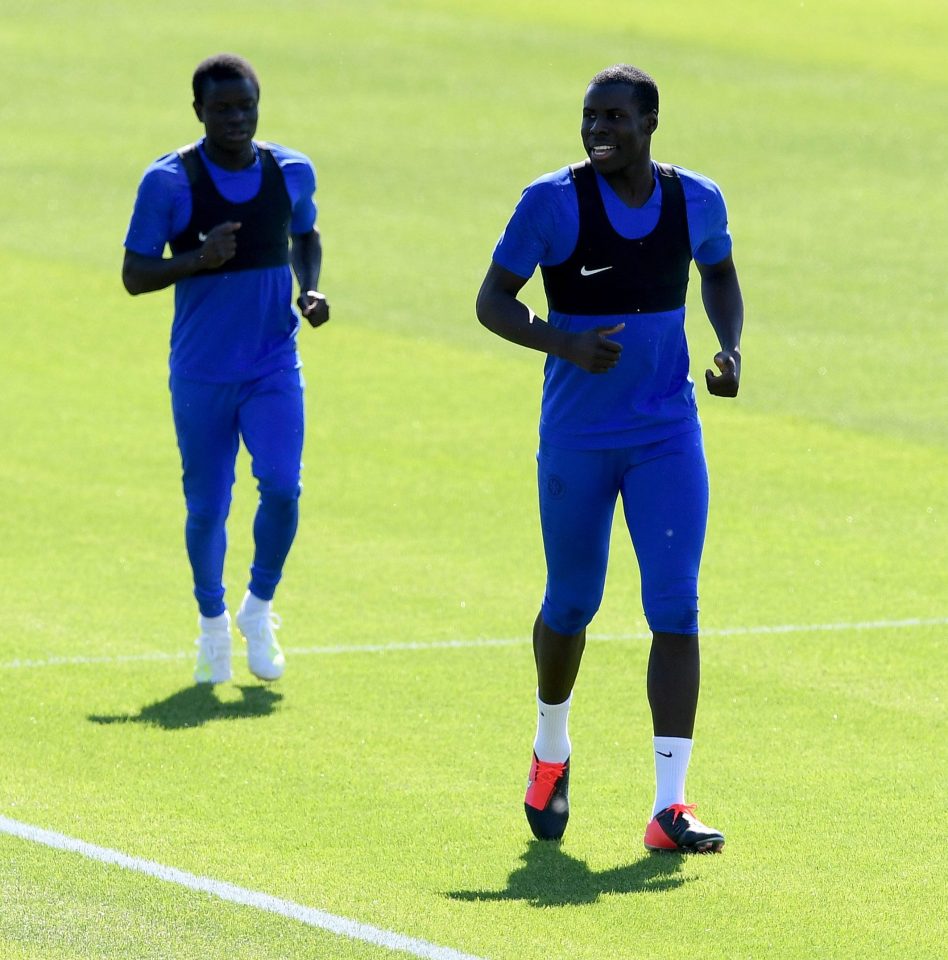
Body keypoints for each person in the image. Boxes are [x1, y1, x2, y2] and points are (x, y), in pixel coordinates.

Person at [476, 64, 742, 853]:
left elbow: (719, 272)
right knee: (571, 604)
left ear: (651, 123)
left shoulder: (697, 198)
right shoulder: (551, 203)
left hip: (666, 436)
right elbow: (491, 300)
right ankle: (550, 750)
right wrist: (563, 342)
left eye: (616, 118)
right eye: (590, 116)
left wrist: (729, 348)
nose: (599, 130)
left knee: (677, 606)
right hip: (578, 442)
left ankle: (670, 807)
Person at [122, 53, 329, 685]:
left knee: (284, 488)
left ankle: (257, 609)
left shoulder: (290, 170)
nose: (236, 119)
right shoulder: (169, 183)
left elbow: (306, 235)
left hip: (272, 364)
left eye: (246, 106)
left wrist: (310, 289)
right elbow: (135, 275)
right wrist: (198, 258)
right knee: (208, 507)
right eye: (222, 109)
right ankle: (212, 624)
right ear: (198, 112)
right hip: (202, 372)